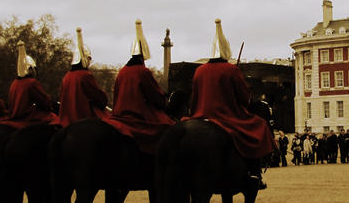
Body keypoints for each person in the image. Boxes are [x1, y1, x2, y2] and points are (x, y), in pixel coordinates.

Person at [186, 19, 274, 189]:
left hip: (200, 115)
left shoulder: (199, 70)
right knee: (259, 126)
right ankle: (254, 173)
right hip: (225, 116)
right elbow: (243, 98)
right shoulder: (230, 69)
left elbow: (195, 97)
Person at [103, 20, 175, 155]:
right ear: (144, 56)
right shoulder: (143, 72)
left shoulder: (122, 71)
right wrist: (164, 103)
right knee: (169, 129)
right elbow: (155, 97)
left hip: (119, 115)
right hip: (138, 116)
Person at [59, 27, 109, 128]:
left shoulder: (67, 76)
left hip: (66, 120)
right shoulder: (85, 75)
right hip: (84, 118)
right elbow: (99, 98)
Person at [4, 42, 59, 128]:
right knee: (55, 119)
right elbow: (44, 102)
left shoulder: (14, 83)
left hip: (15, 116)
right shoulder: (32, 82)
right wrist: (50, 102)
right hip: (28, 117)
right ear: (31, 69)